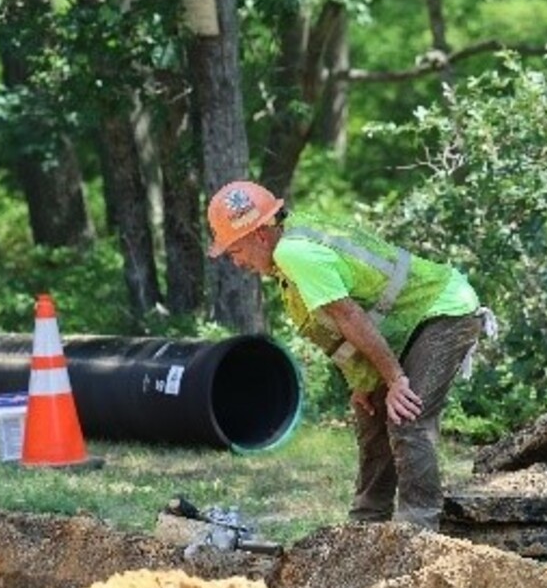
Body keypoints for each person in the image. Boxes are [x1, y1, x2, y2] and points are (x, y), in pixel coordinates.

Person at [206, 180, 489, 531]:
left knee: (408, 416)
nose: (237, 263)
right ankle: (365, 529)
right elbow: (343, 329)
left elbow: (349, 316)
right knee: (371, 417)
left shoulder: (294, 253)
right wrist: (364, 381)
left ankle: (418, 533)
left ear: (260, 235)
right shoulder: (291, 242)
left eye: (235, 251)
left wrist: (396, 379)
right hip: (410, 322)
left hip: (443, 310)